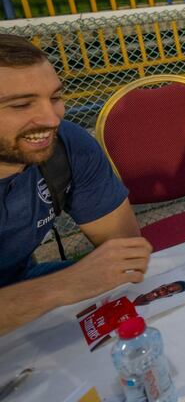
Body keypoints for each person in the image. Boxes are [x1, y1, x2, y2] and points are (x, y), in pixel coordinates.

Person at [0, 35, 152, 336]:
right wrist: (60, 287)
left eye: (55, 97)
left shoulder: (67, 145)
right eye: (21, 105)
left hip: (25, 285)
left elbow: (125, 253)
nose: (51, 118)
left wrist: (72, 282)